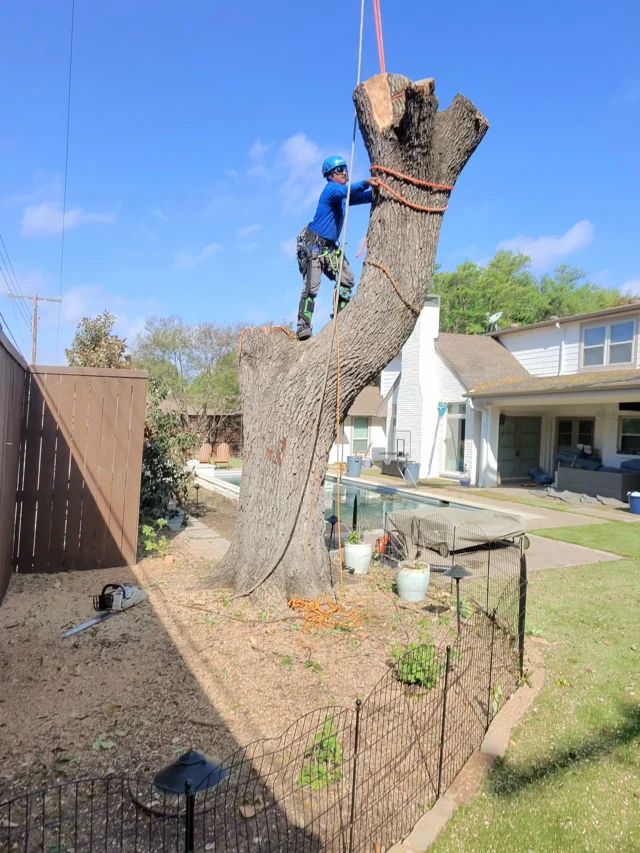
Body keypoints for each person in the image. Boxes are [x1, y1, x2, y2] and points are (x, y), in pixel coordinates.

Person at [296, 155, 372, 340]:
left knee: (347, 279)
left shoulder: (341, 197)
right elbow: (350, 191)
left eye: (345, 169)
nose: (344, 172)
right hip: (313, 246)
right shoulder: (331, 190)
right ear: (330, 175)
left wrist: (377, 191)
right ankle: (302, 326)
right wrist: (366, 183)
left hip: (329, 248)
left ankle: (341, 316)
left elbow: (359, 197)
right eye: (339, 170)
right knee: (311, 287)